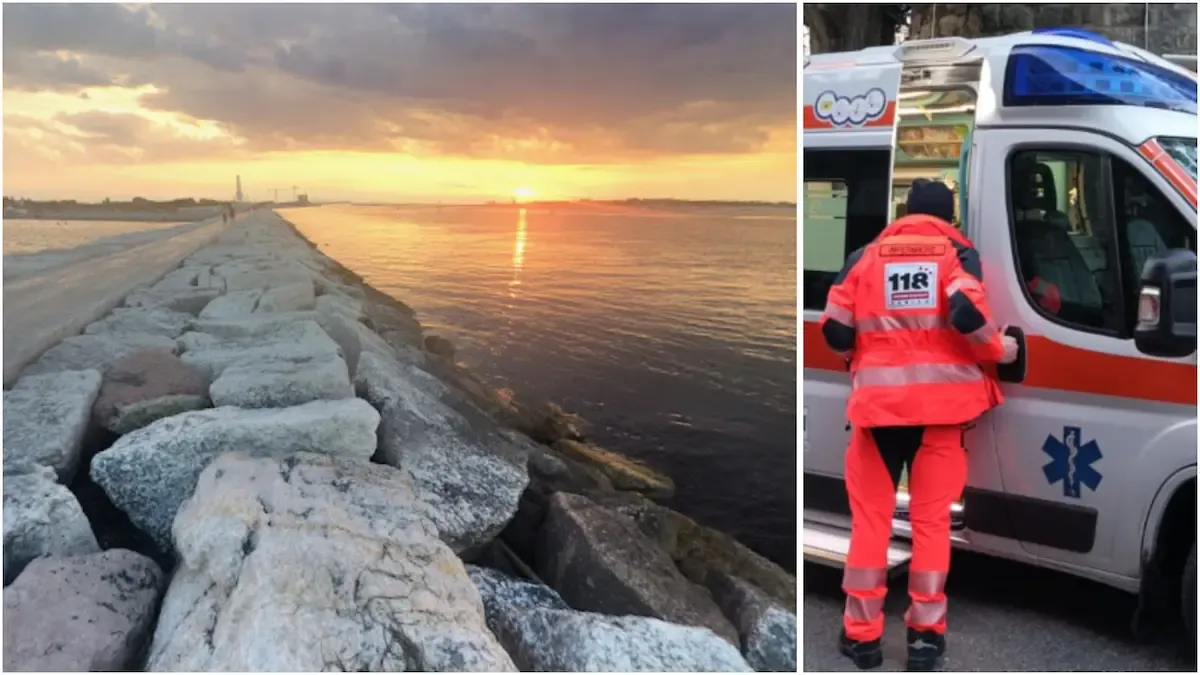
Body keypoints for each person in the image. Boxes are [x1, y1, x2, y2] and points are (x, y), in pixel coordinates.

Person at [819, 179, 1019, 671]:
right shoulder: (957, 255)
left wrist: (867, 354)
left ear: (905, 213)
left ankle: (862, 638)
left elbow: (835, 329)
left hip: (878, 414)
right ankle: (925, 641)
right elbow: (967, 312)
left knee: (871, 523)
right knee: (930, 525)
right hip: (940, 417)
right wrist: (1001, 350)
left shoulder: (865, 256)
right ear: (948, 217)